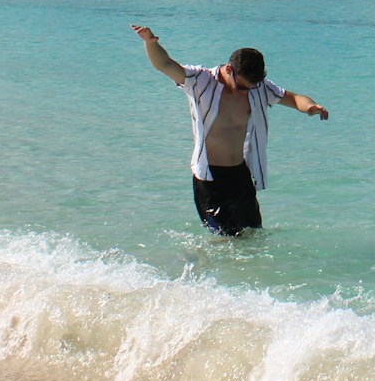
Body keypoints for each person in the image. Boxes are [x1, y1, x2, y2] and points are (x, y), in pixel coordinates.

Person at [130, 25, 327, 236]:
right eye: (242, 87)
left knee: (253, 235)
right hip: (210, 178)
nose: (246, 93)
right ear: (229, 70)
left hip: (240, 175)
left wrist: (310, 107)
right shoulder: (201, 81)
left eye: (251, 88)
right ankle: (201, 265)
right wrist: (151, 43)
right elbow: (165, 64)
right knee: (225, 240)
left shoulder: (257, 86)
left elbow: (293, 98)